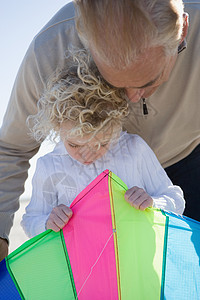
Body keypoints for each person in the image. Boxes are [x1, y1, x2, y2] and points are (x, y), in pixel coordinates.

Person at [0, 0, 199, 260]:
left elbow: (173, 199)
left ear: (183, 30)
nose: (131, 99)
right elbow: (12, 148)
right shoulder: (49, 50)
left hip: (189, 158)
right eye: (115, 82)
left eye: (147, 82)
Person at [21, 50, 185, 238]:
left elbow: (175, 200)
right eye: (74, 145)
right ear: (57, 127)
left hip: (136, 257)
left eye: (101, 144)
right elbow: (30, 221)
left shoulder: (134, 149)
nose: (86, 155)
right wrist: (46, 222)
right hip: (80, 264)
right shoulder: (49, 166)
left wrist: (153, 203)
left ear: (115, 124)